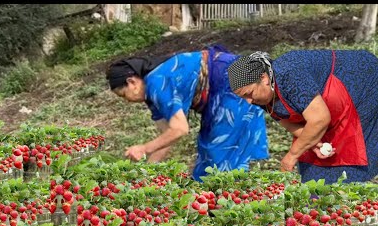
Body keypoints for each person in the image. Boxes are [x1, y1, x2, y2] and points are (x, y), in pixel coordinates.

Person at [106, 44, 269, 181]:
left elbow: (180, 129)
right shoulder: (151, 94)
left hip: (232, 82)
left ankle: (227, 211)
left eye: (123, 94)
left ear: (132, 82)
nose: (126, 100)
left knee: (220, 156)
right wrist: (146, 175)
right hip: (220, 90)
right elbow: (167, 136)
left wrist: (143, 148)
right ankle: (218, 206)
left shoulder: (157, 82)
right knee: (209, 159)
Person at [227, 50, 378, 183]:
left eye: (249, 93)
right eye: (243, 97)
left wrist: (292, 155)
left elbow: (319, 119)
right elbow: (287, 122)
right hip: (325, 108)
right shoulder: (260, 95)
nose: (248, 101)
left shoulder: (289, 75)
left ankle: (350, 199)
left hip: (360, 83)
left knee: (349, 152)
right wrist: (314, 142)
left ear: (264, 78)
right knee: (314, 164)